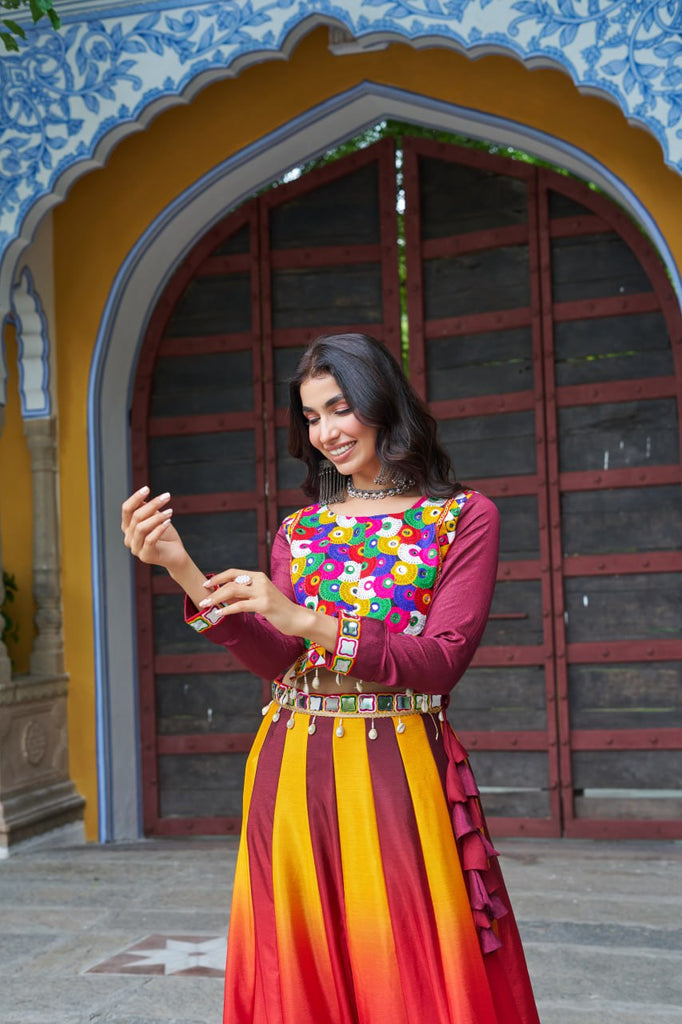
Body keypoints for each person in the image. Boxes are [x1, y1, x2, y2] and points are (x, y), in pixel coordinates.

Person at [122, 332, 541, 1024]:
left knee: (406, 961)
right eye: (311, 417)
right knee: (297, 960)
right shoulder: (302, 530)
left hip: (396, 765)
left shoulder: (463, 518)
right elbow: (276, 661)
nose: (325, 433)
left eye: (339, 408)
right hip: (292, 764)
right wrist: (180, 568)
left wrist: (309, 620)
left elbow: (442, 661)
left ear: (381, 402)